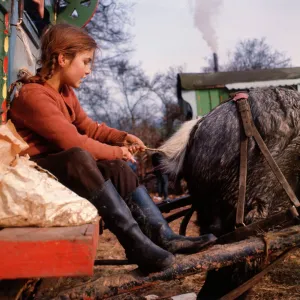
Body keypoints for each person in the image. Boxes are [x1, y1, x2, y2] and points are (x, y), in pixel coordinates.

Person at [9, 24, 216, 273]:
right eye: (85, 62)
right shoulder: (34, 96)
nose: (89, 70)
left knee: (116, 167)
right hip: (38, 166)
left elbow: (89, 128)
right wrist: (117, 151)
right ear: (63, 59)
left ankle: (164, 236)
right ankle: (136, 244)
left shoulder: (64, 93)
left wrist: (121, 138)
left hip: (62, 162)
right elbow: (73, 142)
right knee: (79, 156)